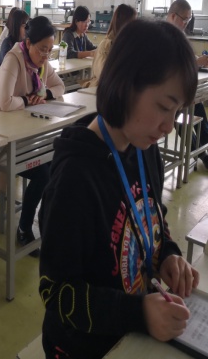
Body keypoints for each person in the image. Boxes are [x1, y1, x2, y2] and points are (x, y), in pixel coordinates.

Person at [39, 19, 199, 359]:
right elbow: (57, 294)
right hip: (81, 347)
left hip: (130, 333)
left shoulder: (144, 148)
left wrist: (167, 254)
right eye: (164, 107)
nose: (169, 126)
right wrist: (138, 313)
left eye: (176, 112)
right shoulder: (75, 177)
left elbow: (151, 215)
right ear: (125, 86)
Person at [0, 16, 64, 257]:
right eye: (42, 49)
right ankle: (24, 228)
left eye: (50, 50)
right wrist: (28, 100)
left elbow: (60, 87)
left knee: (53, 164)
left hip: (23, 136)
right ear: (28, 43)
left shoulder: (41, 64)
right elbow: (5, 102)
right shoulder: (14, 59)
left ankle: (40, 220)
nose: (46, 55)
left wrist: (45, 95)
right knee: (43, 173)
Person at [166, 0, 208, 169]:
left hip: (182, 89)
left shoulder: (179, 35)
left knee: (197, 105)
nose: (186, 23)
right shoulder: (162, 35)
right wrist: (196, 62)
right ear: (173, 16)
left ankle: (203, 147)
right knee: (180, 115)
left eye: (189, 19)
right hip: (166, 92)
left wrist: (198, 60)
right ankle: (200, 153)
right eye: (184, 19)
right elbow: (170, 67)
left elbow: (185, 58)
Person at [88, 4, 137, 86]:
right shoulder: (106, 45)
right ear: (124, 24)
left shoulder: (126, 44)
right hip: (102, 88)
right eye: (133, 23)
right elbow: (104, 76)